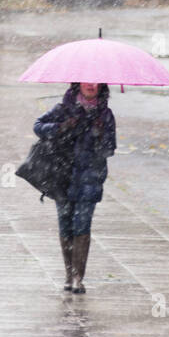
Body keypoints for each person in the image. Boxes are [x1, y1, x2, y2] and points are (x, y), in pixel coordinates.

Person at [32, 81, 117, 294]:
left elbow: (110, 149)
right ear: (78, 84)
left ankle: (79, 277)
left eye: (96, 81)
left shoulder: (105, 115)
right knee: (65, 224)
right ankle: (68, 274)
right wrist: (61, 127)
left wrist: (99, 137)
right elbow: (38, 127)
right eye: (86, 81)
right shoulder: (63, 109)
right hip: (63, 175)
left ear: (101, 86)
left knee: (82, 225)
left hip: (90, 178)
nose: (91, 84)